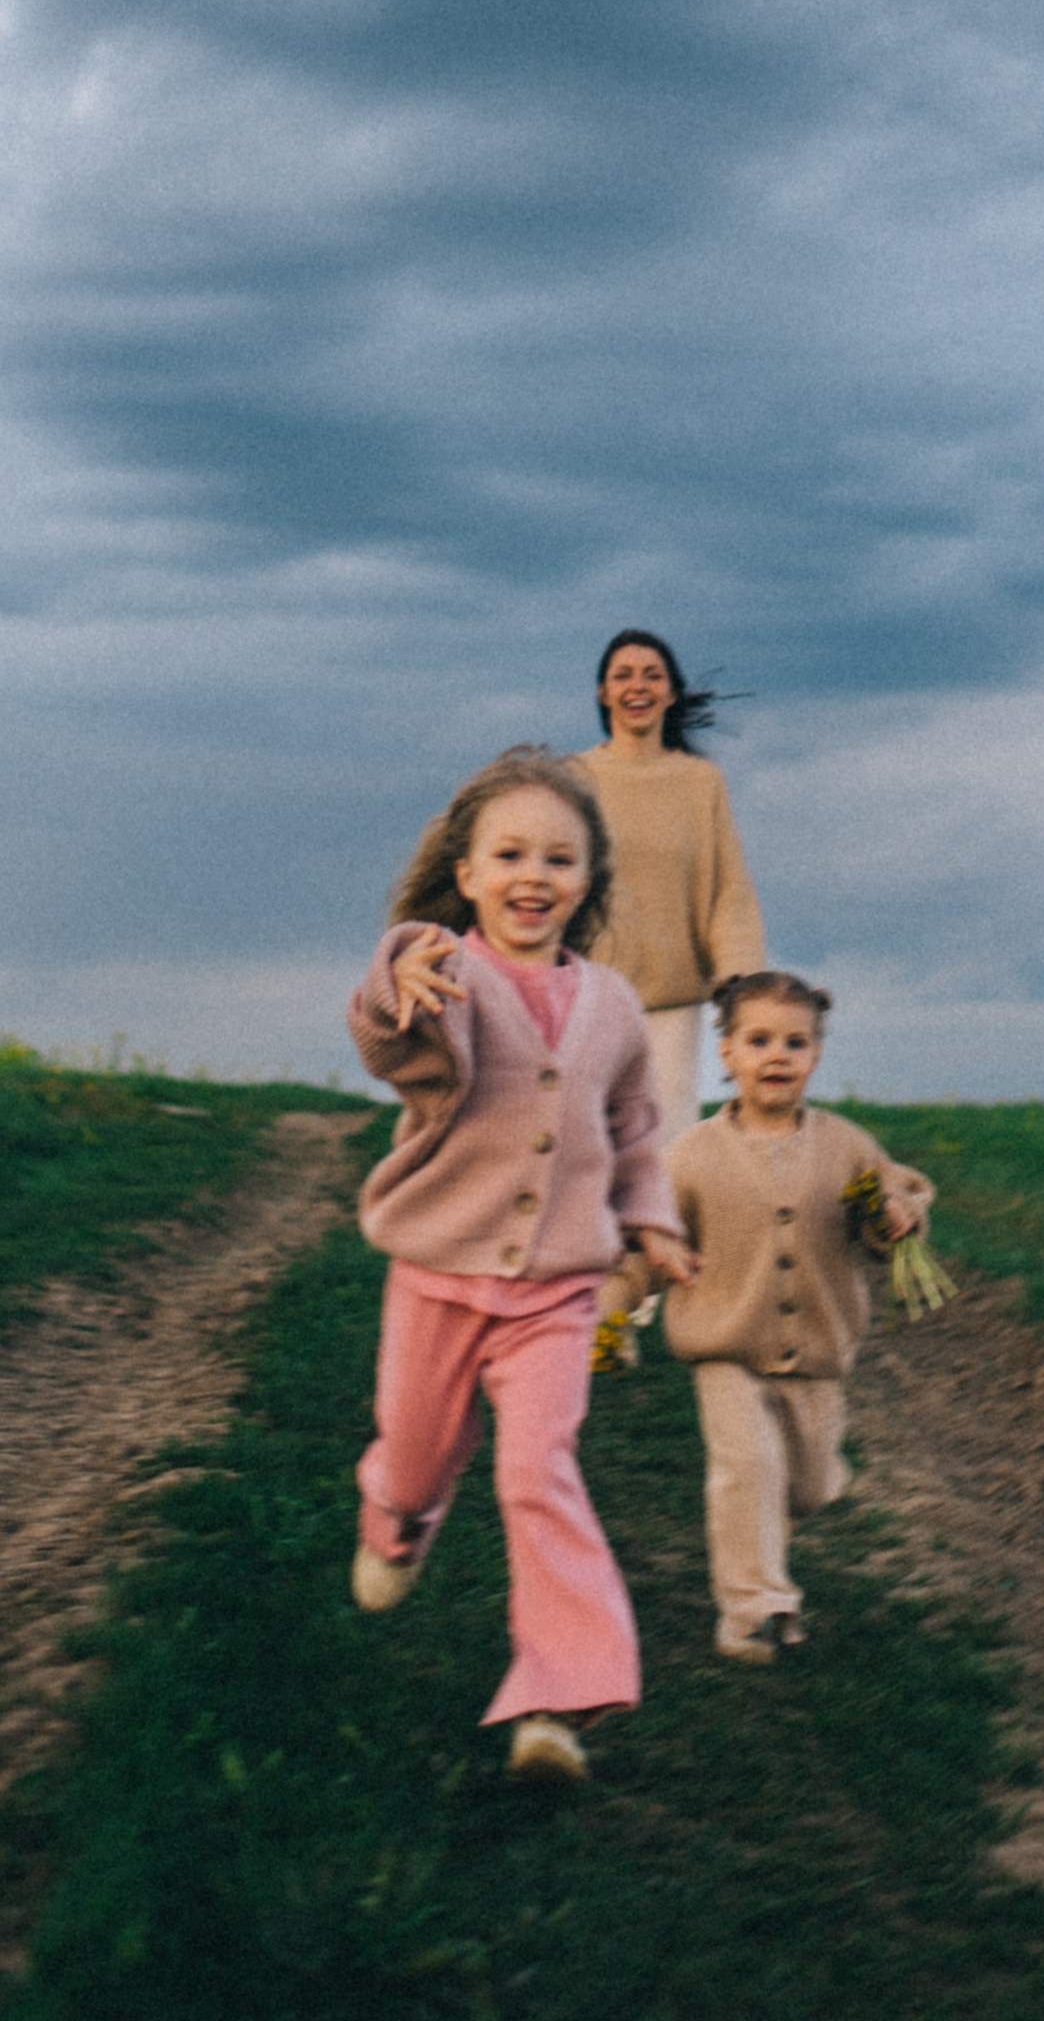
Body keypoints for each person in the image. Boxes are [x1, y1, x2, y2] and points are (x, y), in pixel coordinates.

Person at [345, 744, 696, 1780]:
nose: (531, 876)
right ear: (466, 872)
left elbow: (635, 1129)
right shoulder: (441, 968)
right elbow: (388, 1038)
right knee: (416, 1455)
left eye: (557, 858)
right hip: (438, 1275)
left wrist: (650, 1218)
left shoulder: (613, 1005)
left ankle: (557, 1699)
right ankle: (397, 1517)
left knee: (537, 1470)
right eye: (508, 855)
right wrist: (398, 985)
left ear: (587, 880)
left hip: (557, 1290)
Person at [600, 970, 932, 1663]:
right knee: (745, 1466)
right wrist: (613, 1308)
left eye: (794, 1043)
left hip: (818, 1353)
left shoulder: (845, 1148)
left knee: (805, 1488)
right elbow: (644, 1244)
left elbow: (886, 1212)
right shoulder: (691, 1157)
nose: (776, 1056)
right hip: (724, 1346)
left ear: (816, 1055)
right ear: (726, 1053)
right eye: (757, 1041)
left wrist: (894, 1218)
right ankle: (752, 1610)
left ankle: (786, 1515)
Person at [580, 629, 766, 1142]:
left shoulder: (701, 783)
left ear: (672, 693)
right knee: (584, 1151)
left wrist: (743, 990)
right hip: (585, 1000)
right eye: (623, 675)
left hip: (672, 1008)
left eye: (652, 675)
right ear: (603, 693)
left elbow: (728, 895)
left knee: (665, 1155)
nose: (637, 686)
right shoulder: (574, 778)